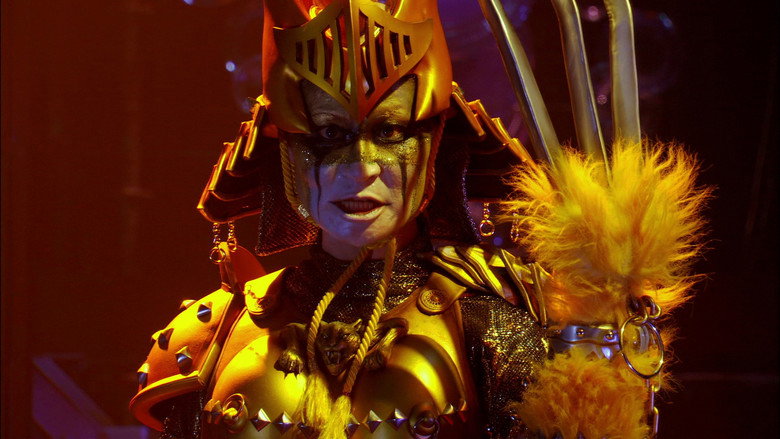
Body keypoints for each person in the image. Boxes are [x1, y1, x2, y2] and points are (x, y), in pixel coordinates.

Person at [130, 1, 707, 438]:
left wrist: (600, 369)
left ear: (434, 146)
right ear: (284, 150)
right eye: (329, 136)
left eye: (390, 132)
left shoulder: (485, 324)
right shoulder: (216, 333)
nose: (362, 168)